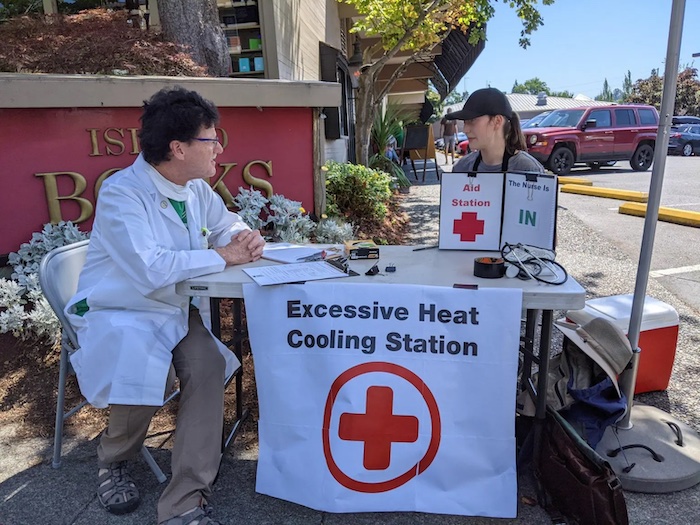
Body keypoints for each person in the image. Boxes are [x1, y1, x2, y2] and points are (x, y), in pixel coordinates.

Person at [65, 86, 265, 525]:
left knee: (208, 364)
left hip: (171, 307)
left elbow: (224, 223)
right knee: (141, 365)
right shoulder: (123, 194)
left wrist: (242, 235)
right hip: (121, 309)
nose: (219, 148)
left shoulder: (193, 187)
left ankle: (185, 499)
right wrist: (222, 255)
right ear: (178, 148)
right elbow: (150, 269)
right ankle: (113, 459)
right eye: (212, 139)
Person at [446, 88, 544, 175]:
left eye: (472, 121)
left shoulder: (529, 171)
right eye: (465, 122)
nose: (465, 130)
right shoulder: (461, 169)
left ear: (497, 121)